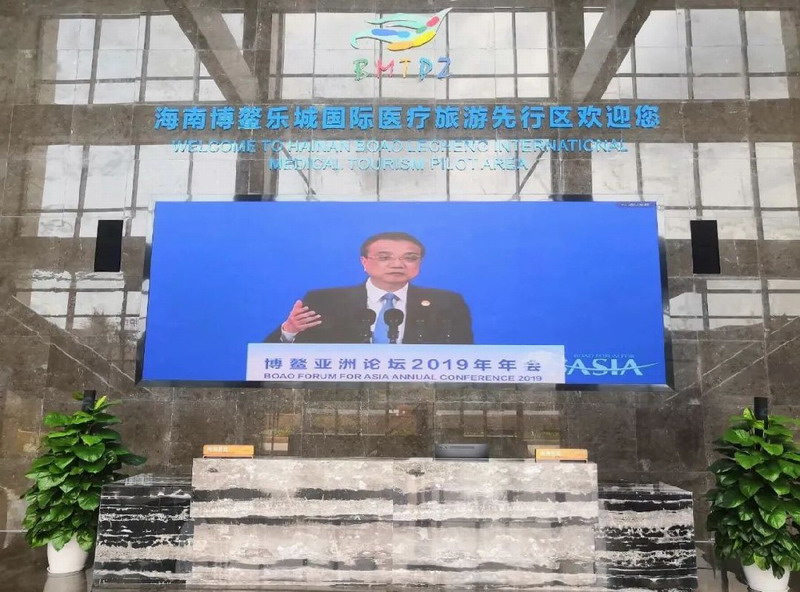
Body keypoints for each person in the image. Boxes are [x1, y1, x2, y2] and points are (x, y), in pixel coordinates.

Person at [265, 232, 473, 344]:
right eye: (384, 257)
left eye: (410, 258)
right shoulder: (325, 301)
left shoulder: (447, 303)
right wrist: (290, 331)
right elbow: (268, 359)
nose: (397, 264)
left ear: (420, 262)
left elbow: (464, 356)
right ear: (364, 262)